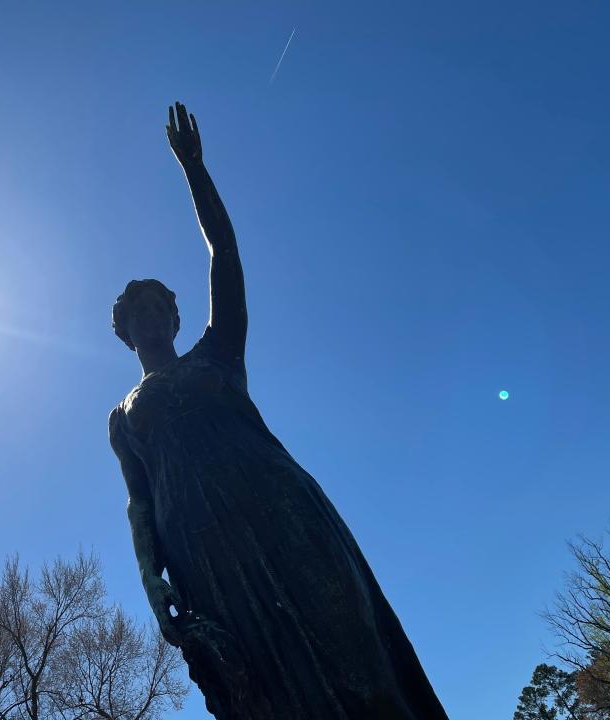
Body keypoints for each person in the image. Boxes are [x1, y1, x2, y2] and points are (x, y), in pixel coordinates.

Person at [108, 102, 448, 720]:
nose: (150, 317)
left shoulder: (217, 355)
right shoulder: (123, 417)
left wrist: (195, 171)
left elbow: (226, 256)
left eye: (159, 306)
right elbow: (140, 501)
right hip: (202, 551)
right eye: (137, 314)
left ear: (176, 318)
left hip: (277, 507)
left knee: (357, 655)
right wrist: (153, 586)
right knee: (270, 692)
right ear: (125, 333)